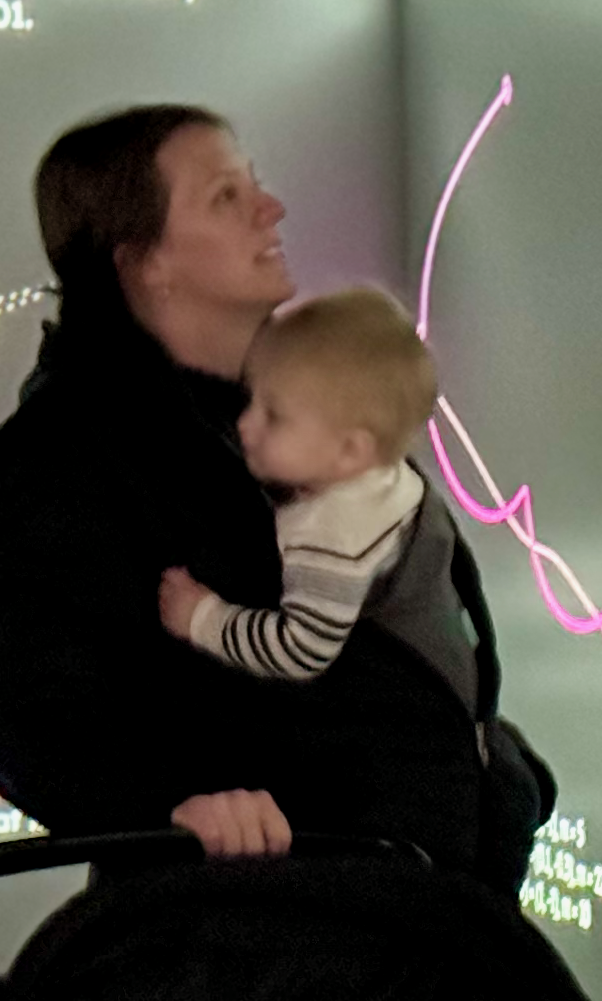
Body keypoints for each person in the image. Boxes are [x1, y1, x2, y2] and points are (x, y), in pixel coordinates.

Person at [0, 104, 549, 881]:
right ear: (145, 262)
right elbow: (34, 720)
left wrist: (504, 774)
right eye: (225, 198)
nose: (270, 210)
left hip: (418, 906)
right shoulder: (61, 455)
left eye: (256, 187)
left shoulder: (282, 403)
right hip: (261, 948)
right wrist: (174, 805)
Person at [152, 291, 490, 860]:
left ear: (348, 451)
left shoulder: (333, 535)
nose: (247, 425)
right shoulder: (383, 481)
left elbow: (302, 648)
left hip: (406, 787)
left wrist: (201, 618)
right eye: (253, 401)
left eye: (274, 416)